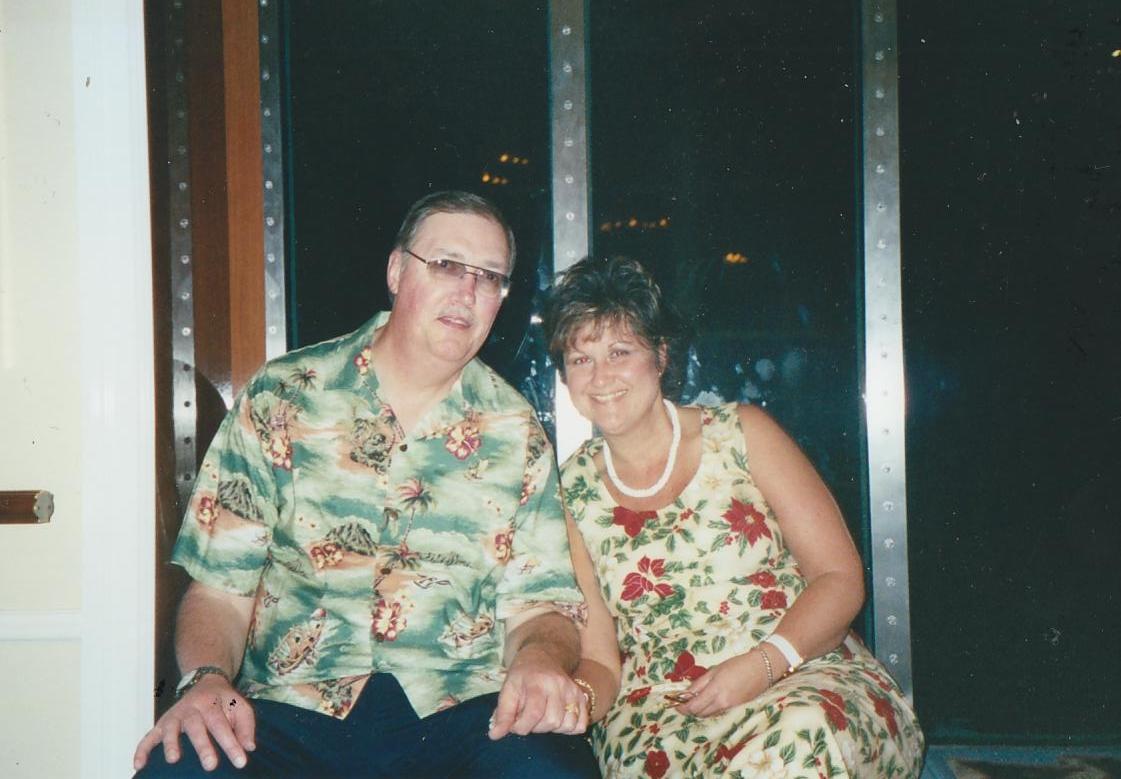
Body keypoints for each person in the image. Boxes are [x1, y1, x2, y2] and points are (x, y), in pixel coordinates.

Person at [133, 191, 599, 778]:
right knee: (179, 768)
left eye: (489, 277)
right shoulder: (283, 397)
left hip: (459, 713)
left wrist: (538, 659)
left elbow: (541, 608)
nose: (468, 291)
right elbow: (219, 593)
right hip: (291, 711)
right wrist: (206, 680)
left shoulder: (516, 430)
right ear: (397, 271)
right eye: (447, 265)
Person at [547, 255, 924, 778]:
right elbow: (600, 661)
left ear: (660, 355)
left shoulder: (742, 434)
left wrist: (763, 664)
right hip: (662, 709)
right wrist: (568, 699)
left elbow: (840, 578)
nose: (601, 376)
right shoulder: (567, 493)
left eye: (619, 352)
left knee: (794, 741)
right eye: (580, 359)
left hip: (800, 671)